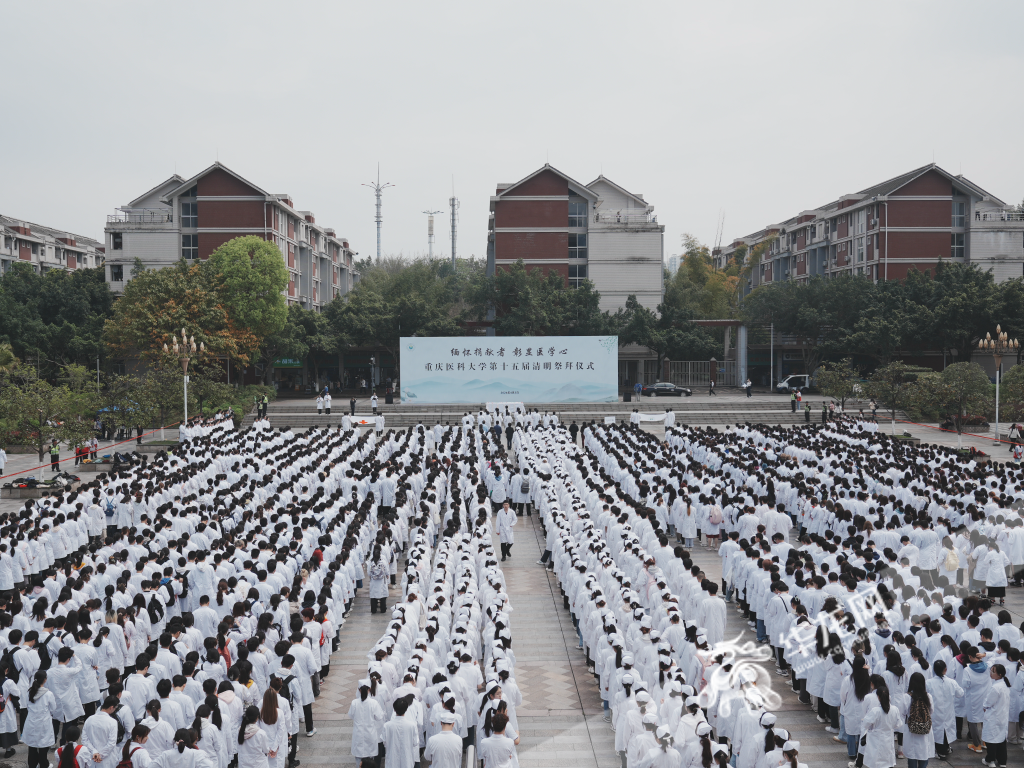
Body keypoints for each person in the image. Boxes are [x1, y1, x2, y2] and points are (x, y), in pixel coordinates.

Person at [23, 671, 59, 768]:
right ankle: (44, 764)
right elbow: (53, 708)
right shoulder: (48, 694)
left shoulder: (29, 692)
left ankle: (32, 764)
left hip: (31, 721)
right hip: (44, 722)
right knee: (43, 745)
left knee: (32, 746)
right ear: (45, 680)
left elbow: (27, 706)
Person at [347, 680, 384, 768]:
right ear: (370, 689)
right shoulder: (373, 703)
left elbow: (351, 715)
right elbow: (379, 717)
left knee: (358, 761)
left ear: (359, 690)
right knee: (370, 761)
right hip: (370, 735)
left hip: (358, 735)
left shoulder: (354, 703)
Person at [982, 664, 1010, 768]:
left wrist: (984, 706)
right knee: (1001, 741)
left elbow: (988, 702)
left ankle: (990, 760)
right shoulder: (1004, 685)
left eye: (993, 671)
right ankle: (1002, 761)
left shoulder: (996, 687)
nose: (991, 673)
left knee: (991, 741)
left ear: (1000, 674)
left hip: (994, 717)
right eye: (991, 670)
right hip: (1002, 716)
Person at [382, 697, 418, 768]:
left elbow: (385, 742)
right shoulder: (412, 726)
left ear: (394, 710)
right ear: (406, 709)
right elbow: (415, 742)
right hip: (407, 761)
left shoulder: (387, 726)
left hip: (392, 761)